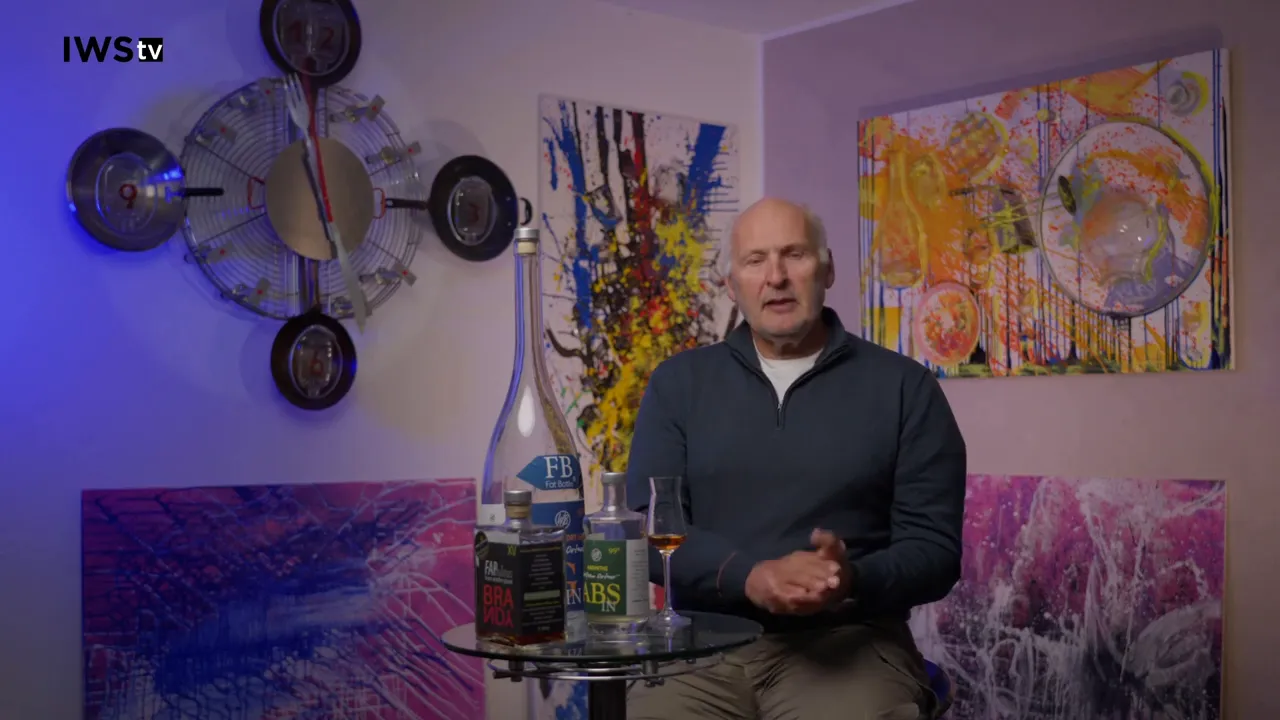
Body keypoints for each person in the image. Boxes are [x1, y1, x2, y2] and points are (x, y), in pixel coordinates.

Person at [624, 197, 967, 720]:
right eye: (755, 260)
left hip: (850, 645)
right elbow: (647, 531)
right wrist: (751, 577)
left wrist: (849, 580)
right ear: (732, 283)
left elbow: (935, 551)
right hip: (700, 650)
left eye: (794, 255)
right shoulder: (678, 385)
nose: (776, 276)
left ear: (827, 269)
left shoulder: (905, 387)